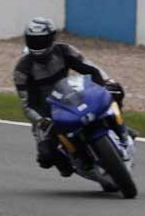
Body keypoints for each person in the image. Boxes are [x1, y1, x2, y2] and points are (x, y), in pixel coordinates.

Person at [13, 17, 129, 176]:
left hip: (71, 97)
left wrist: (106, 81)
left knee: (115, 90)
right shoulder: (22, 69)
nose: (37, 45)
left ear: (51, 38)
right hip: (45, 112)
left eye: (41, 40)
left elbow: (90, 68)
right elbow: (27, 105)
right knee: (47, 157)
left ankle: (121, 127)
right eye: (33, 40)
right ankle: (78, 161)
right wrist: (41, 121)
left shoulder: (64, 50)